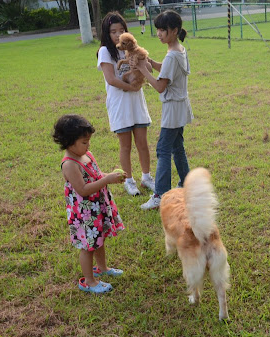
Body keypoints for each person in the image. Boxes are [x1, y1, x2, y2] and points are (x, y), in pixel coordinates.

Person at [54, 114, 125, 294]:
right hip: (84, 213)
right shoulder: (69, 164)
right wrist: (107, 179)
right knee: (88, 246)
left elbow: (97, 175)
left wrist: (110, 177)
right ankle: (89, 281)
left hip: (97, 207)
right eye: (84, 142)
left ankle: (102, 268)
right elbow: (83, 189)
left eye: (88, 141)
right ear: (69, 143)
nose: (88, 145)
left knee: (99, 239)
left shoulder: (87, 155)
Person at [137, 10, 193, 211]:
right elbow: (168, 71)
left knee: (163, 150)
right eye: (158, 30)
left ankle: (160, 194)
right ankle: (186, 184)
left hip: (172, 109)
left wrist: (144, 70)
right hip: (180, 106)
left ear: (174, 31)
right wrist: (151, 63)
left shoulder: (172, 55)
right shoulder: (179, 49)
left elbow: (161, 86)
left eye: (163, 30)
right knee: (177, 147)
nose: (159, 34)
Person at [97, 11, 155, 197]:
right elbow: (111, 79)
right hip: (119, 104)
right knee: (125, 146)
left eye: (121, 30)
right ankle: (128, 180)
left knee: (142, 143)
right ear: (107, 33)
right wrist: (132, 88)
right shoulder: (105, 51)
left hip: (136, 103)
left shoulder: (131, 48)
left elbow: (146, 67)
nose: (118, 34)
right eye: (113, 31)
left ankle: (146, 177)